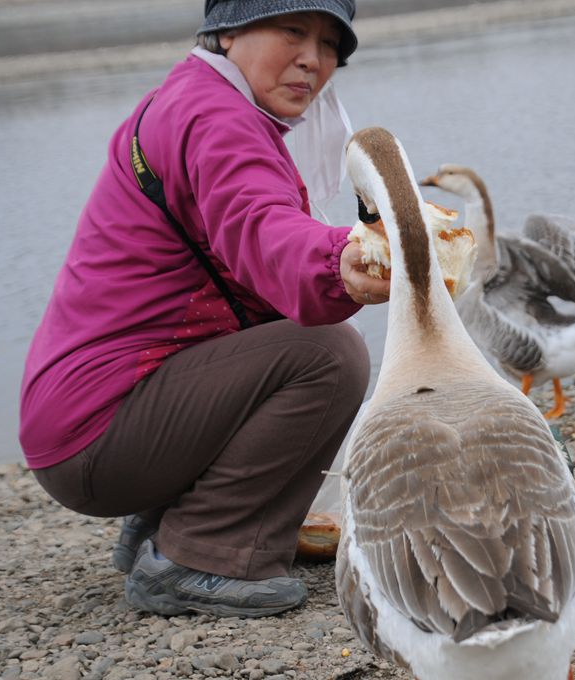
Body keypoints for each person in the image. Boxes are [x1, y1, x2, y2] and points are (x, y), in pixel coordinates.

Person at [19, 0, 390, 619]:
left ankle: (172, 525)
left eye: (330, 45)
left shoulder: (190, 98)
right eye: (292, 31)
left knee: (288, 334)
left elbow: (247, 252)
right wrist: (339, 262)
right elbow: (261, 224)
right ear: (226, 32)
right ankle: (204, 556)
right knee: (326, 355)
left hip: (86, 421)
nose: (313, 60)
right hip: (98, 436)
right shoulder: (218, 119)